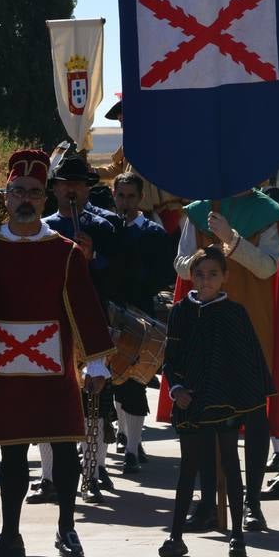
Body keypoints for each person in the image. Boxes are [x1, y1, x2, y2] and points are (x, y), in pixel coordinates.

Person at [0, 149, 116, 557]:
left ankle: (67, 528)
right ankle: (10, 534)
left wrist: (98, 362)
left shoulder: (64, 251)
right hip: (1, 365)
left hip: (53, 365)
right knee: (11, 451)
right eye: (18, 192)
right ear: (7, 196)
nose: (26, 200)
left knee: (65, 448)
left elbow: (85, 308)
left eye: (35, 192)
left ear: (45, 198)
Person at [165, 188, 279, 533]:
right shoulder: (199, 211)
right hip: (204, 328)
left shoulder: (267, 212)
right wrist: (206, 258)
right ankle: (207, 504)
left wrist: (231, 238)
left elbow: (267, 268)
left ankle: (251, 505)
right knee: (204, 417)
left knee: (254, 417)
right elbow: (182, 266)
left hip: (252, 325)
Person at [160, 247, 273, 557]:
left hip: (225, 404)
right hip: (191, 403)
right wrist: (177, 389)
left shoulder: (235, 313)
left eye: (212, 274)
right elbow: (170, 360)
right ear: (191, 276)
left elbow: (248, 363)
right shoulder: (181, 311)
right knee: (188, 469)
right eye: (199, 274)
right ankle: (176, 535)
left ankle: (237, 534)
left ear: (225, 277)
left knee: (229, 465)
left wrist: (243, 402)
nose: (205, 280)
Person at [43, 153, 121, 496]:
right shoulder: (44, 229)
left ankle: (96, 468)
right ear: (56, 189)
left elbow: (119, 278)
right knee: (50, 400)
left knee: (96, 399)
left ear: (87, 191)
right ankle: (48, 475)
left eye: (78, 184)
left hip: (91, 320)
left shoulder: (104, 227)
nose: (71, 189)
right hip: (51, 323)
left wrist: (94, 260)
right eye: (65, 184)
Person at [110, 172, 174, 475]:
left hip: (140, 314)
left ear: (140, 198)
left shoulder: (153, 233)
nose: (125, 202)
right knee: (110, 380)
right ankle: (123, 435)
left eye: (131, 197)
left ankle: (133, 450)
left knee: (134, 382)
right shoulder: (106, 229)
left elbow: (164, 275)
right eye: (120, 196)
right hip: (110, 313)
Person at [94, 97, 188, 235]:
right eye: (120, 121)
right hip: (138, 209)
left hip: (170, 209)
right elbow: (119, 169)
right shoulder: (128, 145)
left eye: (124, 120)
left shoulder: (166, 137)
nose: (122, 125)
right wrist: (93, 172)